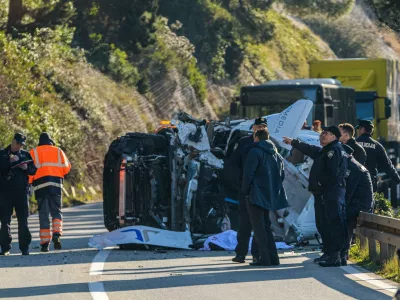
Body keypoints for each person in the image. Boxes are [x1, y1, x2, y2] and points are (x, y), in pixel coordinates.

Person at [283, 126, 347, 267]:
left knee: (333, 223)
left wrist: (322, 186)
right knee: (323, 224)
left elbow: (333, 174)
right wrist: (293, 142)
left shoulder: (334, 150)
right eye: (322, 133)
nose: (323, 135)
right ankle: (329, 252)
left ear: (334, 137)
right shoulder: (325, 151)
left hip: (330, 193)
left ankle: (336, 255)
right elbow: (311, 149)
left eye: (327, 134)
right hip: (323, 194)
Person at [243, 129, 288, 266]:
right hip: (270, 195)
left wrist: (245, 191)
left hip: (256, 193)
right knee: (266, 227)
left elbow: (248, 174)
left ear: (256, 138)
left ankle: (264, 258)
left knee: (258, 227)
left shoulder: (255, 152)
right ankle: (274, 258)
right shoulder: (276, 154)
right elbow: (282, 176)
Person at [231, 117, 268, 264]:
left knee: (260, 224)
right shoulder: (243, 143)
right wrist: (239, 184)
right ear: (252, 127)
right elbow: (234, 164)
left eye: (263, 126)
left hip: (261, 189)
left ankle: (256, 254)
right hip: (245, 187)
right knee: (245, 223)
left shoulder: (269, 144)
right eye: (258, 126)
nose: (259, 128)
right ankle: (240, 253)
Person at [29, 132, 71, 252]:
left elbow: (30, 171)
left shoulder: (34, 152)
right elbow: (67, 167)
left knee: (43, 215)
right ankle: (57, 233)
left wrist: (31, 181)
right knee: (56, 212)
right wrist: (57, 173)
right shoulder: (58, 151)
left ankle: (44, 244)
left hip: (40, 188)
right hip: (55, 186)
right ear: (50, 141)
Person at [0, 133, 36, 255]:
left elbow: (33, 170)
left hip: (21, 192)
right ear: (13, 141)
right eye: (17, 144)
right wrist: (8, 161)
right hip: (5, 193)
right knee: (5, 221)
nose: (19, 147)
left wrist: (25, 166)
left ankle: (24, 248)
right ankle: (5, 248)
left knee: (23, 221)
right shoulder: (2, 154)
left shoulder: (25, 155)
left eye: (21, 145)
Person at [341, 144, 373, 266]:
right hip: (361, 202)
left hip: (361, 204)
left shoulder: (353, 167)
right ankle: (341, 252)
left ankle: (343, 253)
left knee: (342, 218)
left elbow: (349, 191)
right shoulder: (353, 164)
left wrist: (342, 207)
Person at [356, 120, 400, 192]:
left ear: (363, 129)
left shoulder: (353, 143)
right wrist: (397, 179)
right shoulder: (378, 146)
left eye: (358, 129)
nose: (357, 131)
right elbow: (387, 166)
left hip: (355, 182)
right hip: (370, 182)